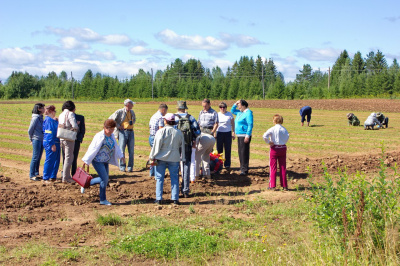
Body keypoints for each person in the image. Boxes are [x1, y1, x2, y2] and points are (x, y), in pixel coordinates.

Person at [81, 119, 125, 205]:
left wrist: (121, 156)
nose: (111, 131)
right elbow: (92, 148)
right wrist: (87, 160)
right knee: (104, 179)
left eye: (113, 129)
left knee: (104, 179)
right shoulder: (99, 136)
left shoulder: (112, 136)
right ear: (104, 128)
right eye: (109, 129)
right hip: (97, 161)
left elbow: (116, 147)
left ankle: (86, 183)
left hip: (106, 160)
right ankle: (103, 199)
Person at [149, 113, 185, 205]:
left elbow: (156, 146)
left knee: (160, 178)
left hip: (161, 157)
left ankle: (159, 198)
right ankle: (175, 199)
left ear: (165, 121)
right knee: (174, 178)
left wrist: (152, 157)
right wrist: (182, 157)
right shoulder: (178, 132)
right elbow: (182, 147)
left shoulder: (161, 132)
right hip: (174, 157)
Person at [175, 101, 201, 197]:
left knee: (175, 166)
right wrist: (193, 139)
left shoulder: (173, 117)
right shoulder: (190, 117)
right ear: (185, 108)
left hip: (175, 146)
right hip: (187, 144)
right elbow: (198, 132)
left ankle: (175, 191)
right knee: (186, 165)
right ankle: (185, 190)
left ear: (177, 108)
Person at [263, 114, 290, 191]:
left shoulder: (272, 129)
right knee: (283, 167)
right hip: (283, 147)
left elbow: (264, 136)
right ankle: (284, 185)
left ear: (274, 121)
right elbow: (287, 137)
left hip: (274, 148)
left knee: (273, 167)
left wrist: (269, 142)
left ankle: (272, 185)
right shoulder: (284, 129)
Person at [109, 99, 136, 172]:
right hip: (122, 132)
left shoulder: (132, 112)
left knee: (131, 151)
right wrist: (118, 126)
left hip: (131, 132)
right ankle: (122, 167)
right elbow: (111, 119)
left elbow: (134, 120)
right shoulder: (120, 111)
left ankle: (130, 168)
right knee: (122, 150)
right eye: (131, 104)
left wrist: (132, 122)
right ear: (127, 104)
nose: (133, 105)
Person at [231, 99, 253, 176]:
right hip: (239, 135)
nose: (238, 106)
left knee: (244, 152)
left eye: (239, 105)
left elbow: (250, 124)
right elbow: (232, 111)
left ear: (243, 105)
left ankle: (245, 169)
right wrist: (235, 103)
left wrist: (247, 135)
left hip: (244, 135)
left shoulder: (248, 113)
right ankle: (242, 167)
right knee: (240, 152)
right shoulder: (240, 113)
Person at [59, 101, 78, 183]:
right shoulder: (70, 114)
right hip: (68, 138)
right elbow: (74, 126)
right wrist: (76, 127)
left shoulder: (61, 114)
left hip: (61, 137)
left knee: (66, 157)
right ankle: (66, 177)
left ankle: (66, 176)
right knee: (69, 158)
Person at [148, 103, 168, 178]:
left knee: (152, 155)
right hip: (156, 138)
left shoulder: (154, 115)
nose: (165, 113)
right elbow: (161, 129)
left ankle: (152, 173)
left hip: (151, 137)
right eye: (165, 111)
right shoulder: (160, 117)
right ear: (163, 109)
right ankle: (157, 175)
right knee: (157, 156)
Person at [42, 105, 60, 184]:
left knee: (56, 160)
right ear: (51, 112)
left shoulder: (51, 120)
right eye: (55, 112)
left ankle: (52, 176)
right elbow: (48, 133)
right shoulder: (49, 120)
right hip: (51, 142)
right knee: (49, 160)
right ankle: (46, 177)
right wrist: (52, 144)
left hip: (55, 142)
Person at [28, 103, 45, 181]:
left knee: (38, 157)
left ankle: (36, 173)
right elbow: (30, 130)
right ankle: (32, 175)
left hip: (41, 139)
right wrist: (31, 139)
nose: (44, 109)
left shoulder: (41, 118)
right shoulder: (35, 118)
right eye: (43, 108)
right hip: (36, 139)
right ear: (39, 109)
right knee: (35, 157)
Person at [216, 102, 235, 171]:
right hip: (219, 133)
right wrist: (215, 133)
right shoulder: (217, 114)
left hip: (227, 133)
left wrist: (233, 132)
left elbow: (233, 124)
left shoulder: (229, 114)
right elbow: (215, 124)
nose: (222, 109)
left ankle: (227, 164)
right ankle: (219, 164)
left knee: (227, 149)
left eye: (224, 107)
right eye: (221, 107)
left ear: (226, 108)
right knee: (219, 149)